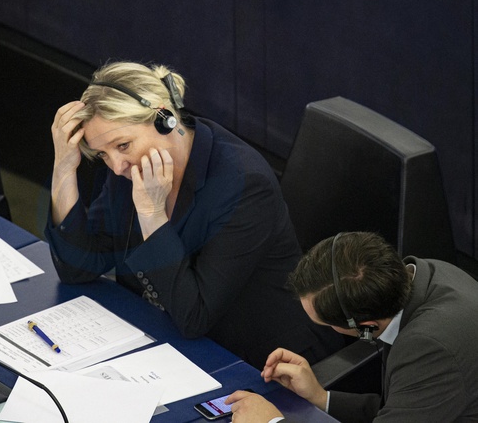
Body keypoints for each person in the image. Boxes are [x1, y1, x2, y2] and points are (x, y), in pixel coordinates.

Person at [44, 61, 343, 368]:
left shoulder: (245, 186)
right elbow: (77, 268)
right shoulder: (130, 168)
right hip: (167, 339)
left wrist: (151, 214)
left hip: (261, 361)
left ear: (165, 119)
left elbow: (194, 316)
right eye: (103, 154)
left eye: (123, 145)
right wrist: (64, 169)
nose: (117, 166)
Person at [226, 231, 478, 422]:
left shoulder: (430, 349)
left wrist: (272, 422)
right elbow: (403, 403)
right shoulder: (422, 274)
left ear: (366, 327)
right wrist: (320, 397)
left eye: (324, 324)